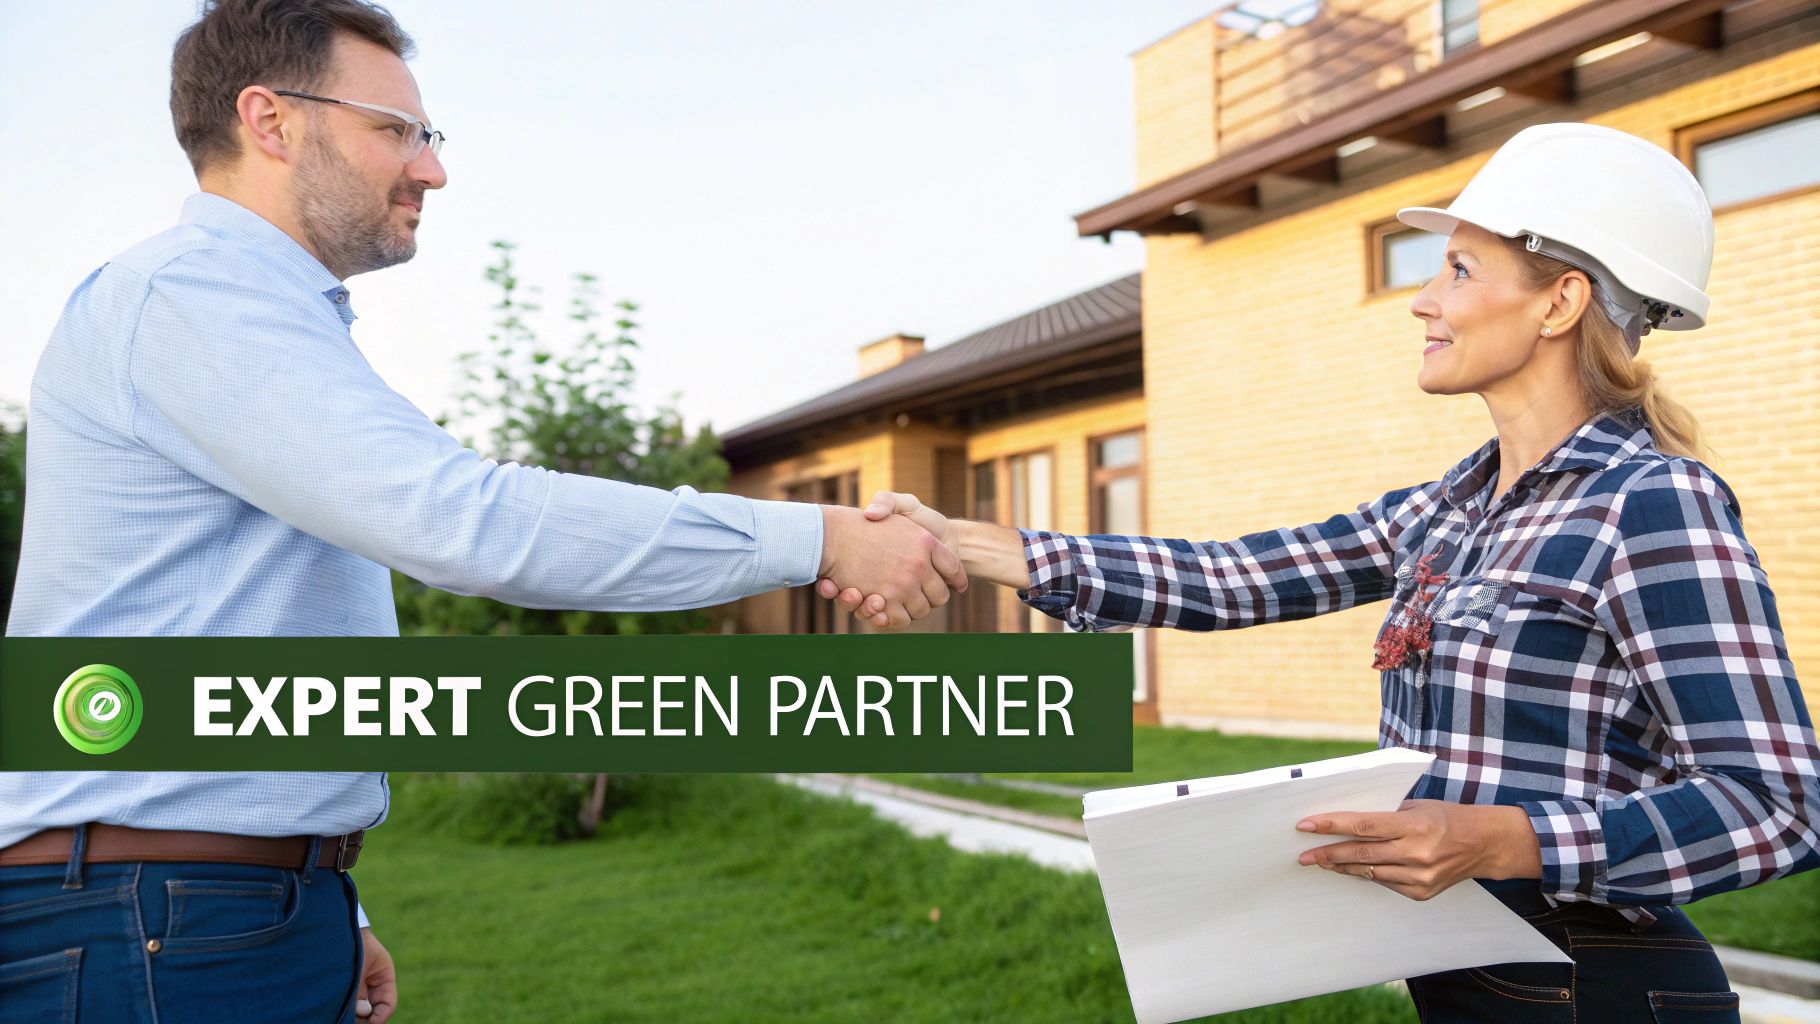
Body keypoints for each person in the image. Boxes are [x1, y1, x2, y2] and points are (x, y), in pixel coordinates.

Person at [0, 2, 961, 1022]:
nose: (430, 169)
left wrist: (327, 891)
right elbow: (468, 521)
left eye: (429, 137)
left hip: (212, 906)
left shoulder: (256, 322)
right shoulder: (192, 295)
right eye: (396, 130)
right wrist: (814, 535)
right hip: (153, 921)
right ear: (269, 120)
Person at [824, 123, 1820, 1022]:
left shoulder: (1650, 503)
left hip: (1594, 982)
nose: (1424, 301)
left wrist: (1504, 840)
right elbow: (1230, 576)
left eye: (1460, 271)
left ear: (1559, 300)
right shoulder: (1446, 508)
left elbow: (1775, 802)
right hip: (1475, 971)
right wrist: (968, 545)